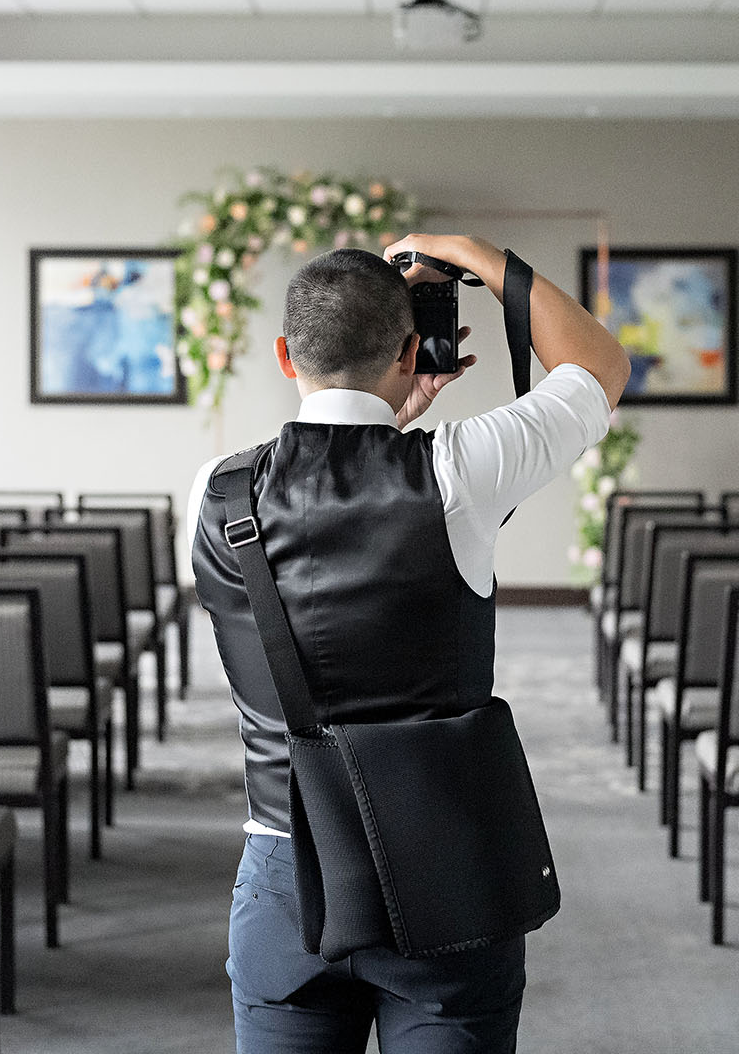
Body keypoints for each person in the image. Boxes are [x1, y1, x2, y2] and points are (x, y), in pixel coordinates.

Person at [190, 233, 631, 1054]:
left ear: (287, 354)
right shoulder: (460, 472)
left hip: (285, 882)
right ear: (409, 349)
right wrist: (478, 256)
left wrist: (386, 410)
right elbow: (599, 367)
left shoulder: (214, 490)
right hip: (444, 874)